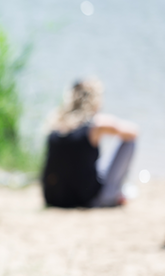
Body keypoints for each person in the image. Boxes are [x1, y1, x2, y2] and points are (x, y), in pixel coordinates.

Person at [41, 78, 139, 208]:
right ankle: (117, 192)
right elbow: (133, 132)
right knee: (129, 141)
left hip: (54, 198)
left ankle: (120, 191)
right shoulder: (96, 125)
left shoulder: (55, 124)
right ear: (95, 101)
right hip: (87, 199)